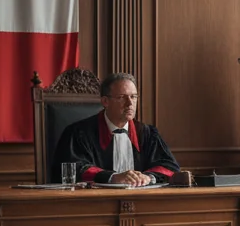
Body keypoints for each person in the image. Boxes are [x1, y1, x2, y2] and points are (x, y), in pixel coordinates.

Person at [53, 73, 181, 185]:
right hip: (94, 204)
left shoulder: (148, 134)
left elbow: (169, 166)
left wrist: (147, 177)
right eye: (121, 97)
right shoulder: (78, 133)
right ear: (105, 101)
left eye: (133, 97)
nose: (130, 103)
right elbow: (73, 169)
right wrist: (112, 177)